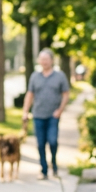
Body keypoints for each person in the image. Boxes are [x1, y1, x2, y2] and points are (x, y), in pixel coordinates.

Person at [22, 49, 71, 179]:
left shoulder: (60, 76)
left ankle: (54, 165)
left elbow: (66, 94)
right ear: (39, 61)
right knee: (40, 144)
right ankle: (43, 170)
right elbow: (30, 95)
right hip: (38, 115)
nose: (44, 62)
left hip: (53, 116)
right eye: (41, 59)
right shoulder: (34, 76)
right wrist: (25, 112)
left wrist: (59, 110)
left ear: (51, 60)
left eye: (46, 59)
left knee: (53, 141)